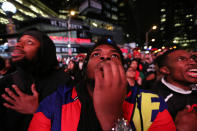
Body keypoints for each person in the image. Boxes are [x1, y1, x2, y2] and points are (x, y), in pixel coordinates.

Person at [28, 39, 175, 131]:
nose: (105, 57)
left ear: (122, 69)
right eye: (96, 55)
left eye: (114, 55)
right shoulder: (54, 103)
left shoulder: (153, 104)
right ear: (84, 68)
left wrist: (113, 119)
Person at [0, 29, 71, 131]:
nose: (18, 45)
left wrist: (38, 111)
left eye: (29, 42)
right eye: (19, 41)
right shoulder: (6, 83)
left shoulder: (63, 82)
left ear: (44, 51)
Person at [151, 49, 197, 121]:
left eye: (192, 58)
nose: (193, 62)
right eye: (181, 59)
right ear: (165, 70)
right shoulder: (157, 102)